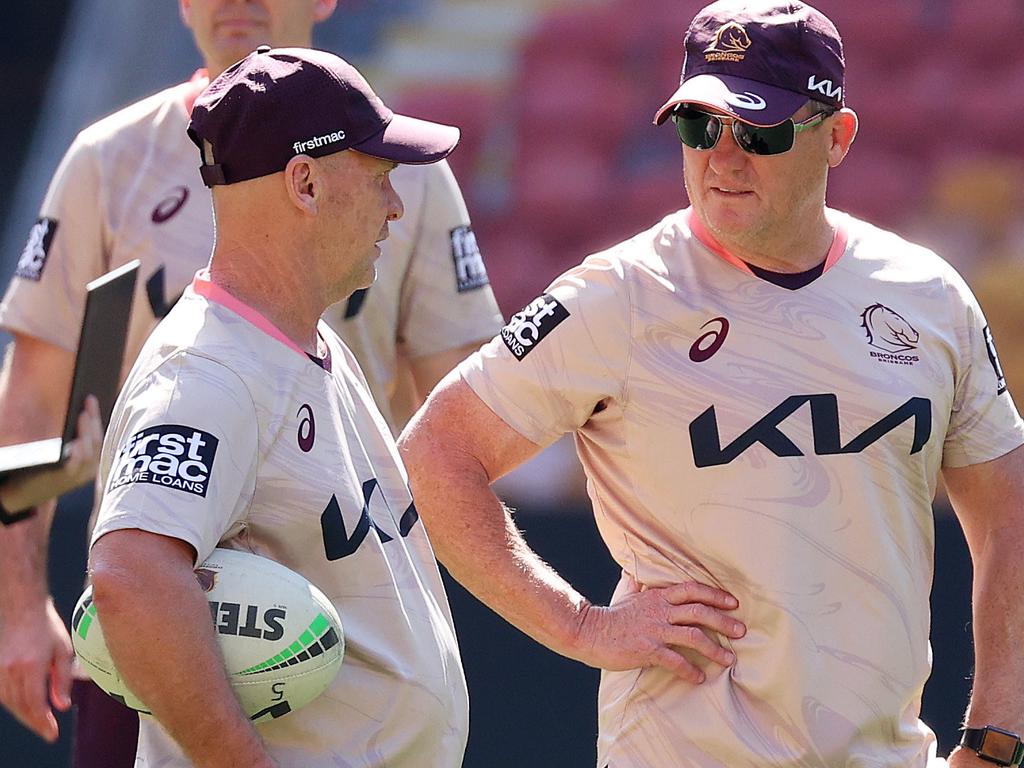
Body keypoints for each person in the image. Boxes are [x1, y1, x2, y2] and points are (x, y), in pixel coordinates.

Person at [398, 2, 1024, 767]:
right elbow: (434, 453)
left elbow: (1007, 513)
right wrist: (580, 626)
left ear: (837, 138)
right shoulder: (618, 295)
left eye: (758, 134)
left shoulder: (930, 295)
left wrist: (995, 736)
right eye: (699, 128)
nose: (723, 160)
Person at [0, 0, 501, 759]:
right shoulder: (199, 350)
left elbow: (466, 418)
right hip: (180, 624)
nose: (393, 203)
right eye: (379, 178)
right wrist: (13, 603)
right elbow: (132, 572)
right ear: (303, 185)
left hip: (331, 608)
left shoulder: (312, 333)